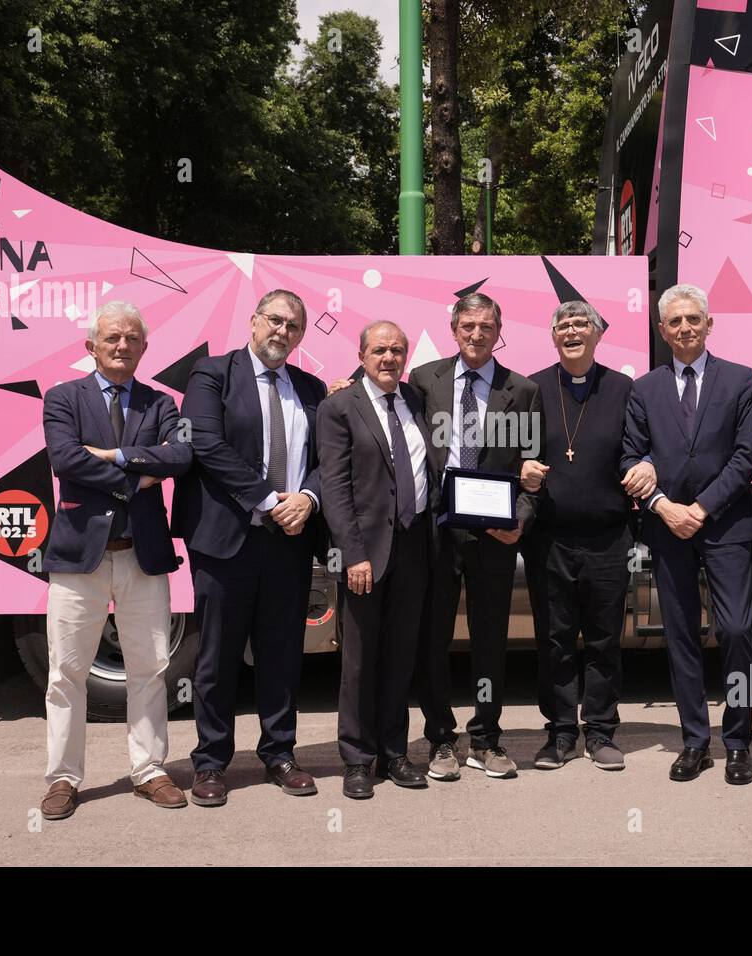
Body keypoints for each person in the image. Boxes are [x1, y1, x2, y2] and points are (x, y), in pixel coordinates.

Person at [172, 289, 327, 806]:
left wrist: (307, 497)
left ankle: (280, 753)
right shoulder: (213, 373)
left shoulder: (311, 387)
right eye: (276, 321)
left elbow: (330, 457)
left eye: (294, 326)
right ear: (255, 320)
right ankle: (211, 763)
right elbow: (204, 443)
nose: (283, 332)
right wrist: (266, 498)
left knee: (282, 652)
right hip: (226, 538)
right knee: (217, 656)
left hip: (289, 539)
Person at [40, 300, 192, 820]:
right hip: (79, 556)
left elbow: (180, 457)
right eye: (112, 338)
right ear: (92, 346)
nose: (122, 345)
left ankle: (149, 770)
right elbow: (65, 459)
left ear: (144, 348)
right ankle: (63, 778)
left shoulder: (160, 402)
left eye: (131, 338)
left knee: (150, 669)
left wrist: (115, 457)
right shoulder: (63, 398)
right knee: (66, 672)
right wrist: (137, 478)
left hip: (142, 557)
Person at [621, 283, 752, 785]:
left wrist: (698, 508)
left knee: (739, 631)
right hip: (666, 527)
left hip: (726, 524)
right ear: (662, 330)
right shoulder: (644, 388)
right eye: (674, 322)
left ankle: (739, 742)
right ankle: (695, 742)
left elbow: (748, 455)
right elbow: (631, 456)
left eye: (693, 319)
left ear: (708, 324)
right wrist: (661, 505)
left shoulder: (741, 380)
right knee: (679, 635)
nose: (684, 328)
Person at [408, 292, 543, 781]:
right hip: (437, 531)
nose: (476, 334)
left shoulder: (522, 390)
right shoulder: (424, 381)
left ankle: (485, 738)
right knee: (434, 636)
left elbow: (533, 471)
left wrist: (520, 518)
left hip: (494, 536)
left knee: (489, 639)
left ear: (498, 329)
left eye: (486, 326)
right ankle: (440, 738)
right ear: (454, 328)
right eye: (468, 325)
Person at [318, 321, 436, 799]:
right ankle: (357, 759)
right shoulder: (339, 407)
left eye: (397, 350)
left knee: (400, 657)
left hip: (414, 547)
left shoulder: (418, 402)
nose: (389, 358)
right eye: (380, 350)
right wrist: (353, 554)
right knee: (360, 661)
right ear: (362, 354)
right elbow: (335, 487)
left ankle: (395, 753)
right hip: (365, 552)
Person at [520, 301, 633, 771]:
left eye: (580, 324)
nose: (571, 331)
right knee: (555, 638)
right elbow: (514, 449)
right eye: (562, 325)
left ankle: (602, 731)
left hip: (608, 537)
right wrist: (521, 467)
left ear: (597, 334)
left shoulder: (624, 388)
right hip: (549, 538)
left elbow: (639, 448)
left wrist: (644, 465)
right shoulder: (531, 389)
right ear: (552, 337)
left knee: (605, 639)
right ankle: (561, 733)